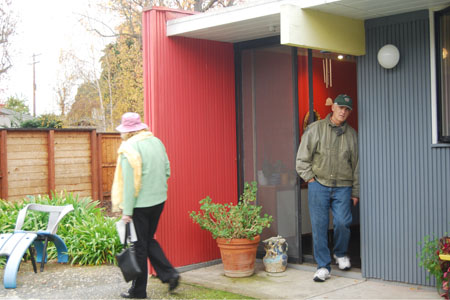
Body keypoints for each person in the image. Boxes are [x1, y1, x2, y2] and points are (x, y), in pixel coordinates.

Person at [112, 112, 179, 299]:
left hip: (139, 205)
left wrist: (127, 211)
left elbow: (128, 184)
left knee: (139, 246)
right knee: (147, 240)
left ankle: (138, 291)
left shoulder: (128, 149)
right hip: (158, 200)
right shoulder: (156, 142)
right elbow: (167, 170)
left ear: (127, 131)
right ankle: (169, 274)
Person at [296, 94, 359, 282]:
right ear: (333, 108)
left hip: (343, 186)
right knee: (319, 227)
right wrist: (311, 179)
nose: (343, 112)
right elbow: (302, 159)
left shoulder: (352, 135)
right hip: (319, 185)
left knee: (342, 223)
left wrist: (355, 191)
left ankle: (340, 253)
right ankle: (323, 266)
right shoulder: (315, 130)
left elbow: (357, 166)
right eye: (340, 107)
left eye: (347, 110)